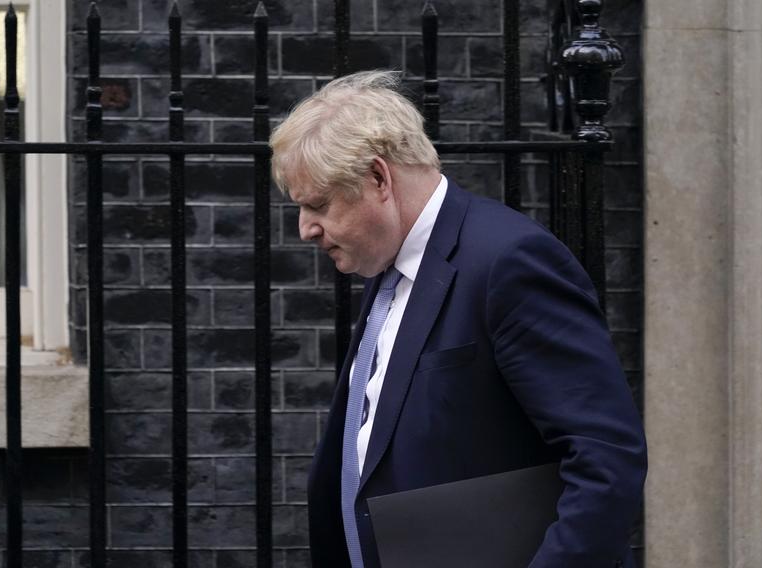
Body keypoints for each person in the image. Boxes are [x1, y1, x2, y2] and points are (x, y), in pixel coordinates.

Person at [269, 70, 647, 568]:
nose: (305, 229)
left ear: (379, 178)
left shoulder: (509, 262)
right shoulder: (392, 266)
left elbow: (606, 459)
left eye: (317, 204)